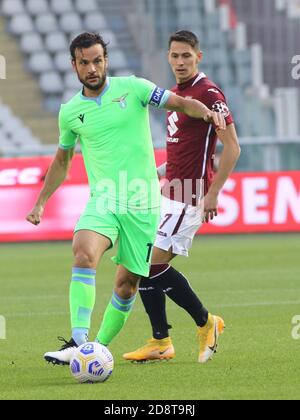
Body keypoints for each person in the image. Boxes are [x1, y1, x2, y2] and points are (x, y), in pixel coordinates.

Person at [26, 32, 225, 366]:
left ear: (106, 60)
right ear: (74, 65)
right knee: (83, 253)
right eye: (85, 62)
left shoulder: (133, 88)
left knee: (127, 286)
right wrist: (41, 201)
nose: (92, 68)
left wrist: (206, 112)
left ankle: (95, 350)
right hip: (104, 201)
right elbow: (62, 161)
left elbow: (179, 103)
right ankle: (78, 339)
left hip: (143, 206)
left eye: (98, 60)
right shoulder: (71, 112)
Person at [123, 30, 241, 364]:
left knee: (149, 264)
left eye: (186, 55)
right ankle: (160, 342)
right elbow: (183, 146)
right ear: (168, 57)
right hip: (169, 191)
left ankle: (206, 323)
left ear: (198, 57)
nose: (180, 62)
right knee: (140, 263)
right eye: (174, 56)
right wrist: (160, 170)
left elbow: (233, 147)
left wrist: (214, 193)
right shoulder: (177, 94)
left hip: (190, 195)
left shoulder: (209, 93)